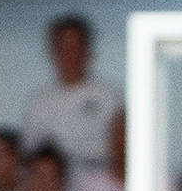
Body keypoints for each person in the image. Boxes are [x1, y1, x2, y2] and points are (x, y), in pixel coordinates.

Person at [21, 16, 122, 176]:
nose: (71, 54)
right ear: (53, 51)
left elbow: (123, 147)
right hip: (59, 184)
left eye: (77, 46)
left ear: (88, 50)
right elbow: (30, 153)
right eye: (64, 47)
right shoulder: (40, 103)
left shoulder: (107, 96)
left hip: (101, 180)